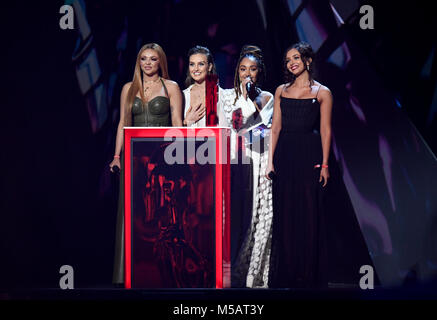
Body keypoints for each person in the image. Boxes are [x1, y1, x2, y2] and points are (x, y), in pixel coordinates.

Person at [109, 43, 183, 286]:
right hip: (133, 158)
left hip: (160, 158)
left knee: (158, 213)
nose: (148, 63)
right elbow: (123, 122)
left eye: (153, 59)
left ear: (160, 61)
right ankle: (127, 272)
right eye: (144, 59)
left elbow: (176, 123)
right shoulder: (128, 88)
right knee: (131, 213)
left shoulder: (171, 87)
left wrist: (178, 150)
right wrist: (117, 156)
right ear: (138, 62)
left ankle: (161, 271)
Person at [266, 41, 333, 288]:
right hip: (285, 154)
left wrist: (325, 164)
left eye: (295, 57)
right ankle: (288, 273)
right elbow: (276, 128)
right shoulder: (281, 90)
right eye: (287, 59)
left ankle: (307, 274)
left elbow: (325, 130)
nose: (291, 62)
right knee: (286, 212)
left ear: (307, 60)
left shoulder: (322, 92)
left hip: (309, 155)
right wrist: (270, 161)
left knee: (307, 212)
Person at [221, 45, 274, 288]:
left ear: (259, 72)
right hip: (234, 160)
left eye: (252, 69)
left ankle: (250, 271)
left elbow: (263, 127)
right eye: (243, 69)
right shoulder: (228, 98)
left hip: (258, 160)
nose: (247, 74)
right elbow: (231, 127)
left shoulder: (267, 97)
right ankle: (227, 268)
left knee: (255, 214)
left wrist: (253, 100)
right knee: (232, 214)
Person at [182, 45, 227, 127]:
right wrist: (186, 122)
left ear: (209, 67)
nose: (196, 69)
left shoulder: (222, 95)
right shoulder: (183, 95)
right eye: (192, 64)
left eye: (201, 64)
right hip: (189, 139)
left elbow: (226, 128)